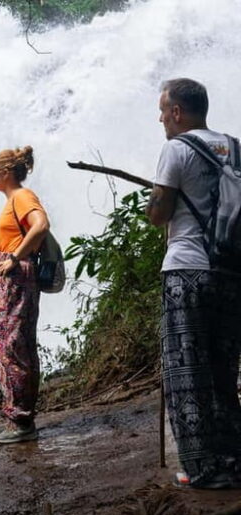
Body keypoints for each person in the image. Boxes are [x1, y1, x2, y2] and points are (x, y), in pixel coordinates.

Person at [146, 78, 241, 489]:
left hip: (187, 270)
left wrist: (161, 199)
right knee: (224, 370)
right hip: (230, 272)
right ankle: (234, 458)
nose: (161, 118)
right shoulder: (236, 148)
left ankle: (202, 469)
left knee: (188, 371)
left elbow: (158, 213)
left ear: (178, 112)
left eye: (164, 111)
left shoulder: (176, 148)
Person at [0, 146, 49, 444]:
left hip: (15, 281)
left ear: (5, 173)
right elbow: (15, 238)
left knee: (14, 346)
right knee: (7, 346)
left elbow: (41, 226)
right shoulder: (12, 201)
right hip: (7, 280)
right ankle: (16, 418)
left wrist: (14, 257)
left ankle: (22, 421)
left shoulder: (22, 197)